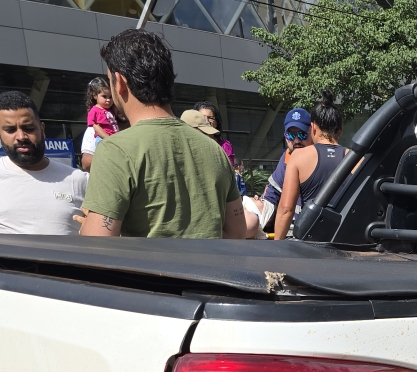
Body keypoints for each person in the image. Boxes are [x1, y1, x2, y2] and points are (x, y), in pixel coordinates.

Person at [80, 29, 246, 239]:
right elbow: (237, 232)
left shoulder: (115, 150)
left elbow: (97, 246)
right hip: (211, 270)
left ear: (119, 81)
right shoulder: (215, 150)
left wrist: (87, 226)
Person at [0, 90, 88, 234]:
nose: (21, 137)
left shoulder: (78, 180)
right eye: (10, 130)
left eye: (28, 128)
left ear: (42, 129)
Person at [273, 92, 344, 240]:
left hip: (310, 244)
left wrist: (277, 247)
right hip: (345, 242)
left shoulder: (299, 157)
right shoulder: (357, 159)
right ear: (340, 130)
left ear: (313, 128)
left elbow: (286, 210)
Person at [260, 106, 311, 234]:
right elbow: (271, 195)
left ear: (312, 133)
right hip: (293, 230)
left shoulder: (319, 158)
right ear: (285, 136)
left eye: (302, 134)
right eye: (291, 135)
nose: (297, 140)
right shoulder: (286, 158)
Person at [194, 100, 236, 167]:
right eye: (203, 117)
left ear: (216, 123)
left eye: (210, 118)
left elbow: (229, 170)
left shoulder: (224, 146)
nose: (207, 121)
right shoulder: (191, 145)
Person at [86, 76, 118, 143]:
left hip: (113, 138)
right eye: (104, 96)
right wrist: (108, 138)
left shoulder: (111, 109)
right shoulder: (94, 111)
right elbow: (96, 127)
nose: (108, 100)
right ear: (95, 96)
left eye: (110, 97)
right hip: (103, 139)